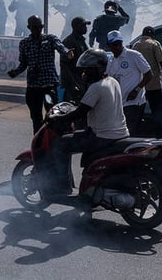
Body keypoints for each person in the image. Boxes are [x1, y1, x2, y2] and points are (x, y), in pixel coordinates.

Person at [51, 48, 130, 196]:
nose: (84, 73)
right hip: (120, 133)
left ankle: (62, 186)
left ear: (98, 69)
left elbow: (80, 112)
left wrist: (58, 118)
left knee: (60, 144)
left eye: (88, 70)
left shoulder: (96, 87)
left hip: (101, 137)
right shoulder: (112, 81)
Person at [7, 15, 74, 133]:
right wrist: (15, 72)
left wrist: (67, 52)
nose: (38, 29)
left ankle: (53, 140)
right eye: (35, 27)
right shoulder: (25, 43)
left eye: (40, 27)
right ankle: (38, 141)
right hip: (33, 86)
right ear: (29, 27)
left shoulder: (50, 39)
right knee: (35, 117)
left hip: (49, 85)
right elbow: (23, 64)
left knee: (53, 115)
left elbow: (61, 47)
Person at [105, 30, 152, 135]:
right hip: (118, 103)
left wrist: (136, 90)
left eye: (119, 43)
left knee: (131, 132)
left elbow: (149, 75)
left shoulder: (134, 55)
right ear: (109, 45)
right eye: (114, 44)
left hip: (134, 102)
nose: (117, 46)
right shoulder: (110, 60)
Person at [132, 26, 162, 137]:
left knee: (138, 110)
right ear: (153, 35)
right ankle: (161, 135)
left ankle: (135, 133)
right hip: (154, 84)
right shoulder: (155, 44)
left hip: (140, 84)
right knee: (157, 110)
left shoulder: (136, 45)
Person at [60, 16, 92, 103]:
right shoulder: (69, 41)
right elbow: (64, 65)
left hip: (82, 80)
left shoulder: (81, 41)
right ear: (77, 27)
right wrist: (72, 84)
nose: (86, 28)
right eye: (83, 26)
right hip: (74, 81)